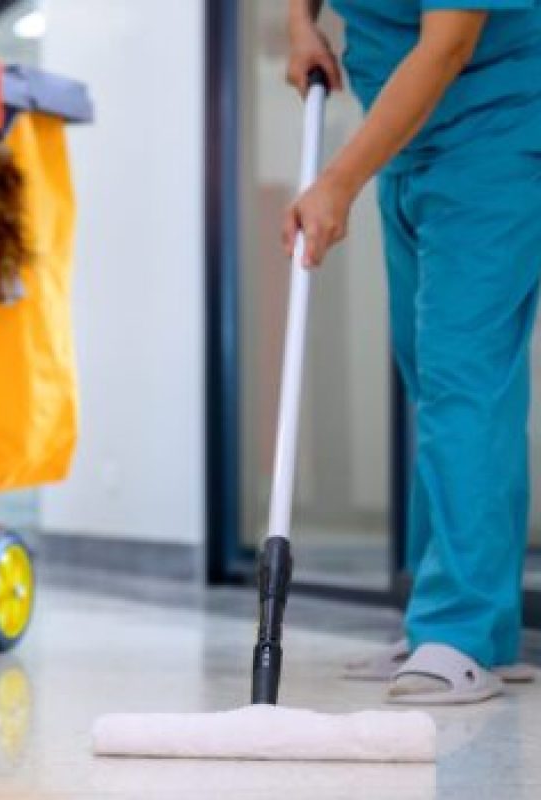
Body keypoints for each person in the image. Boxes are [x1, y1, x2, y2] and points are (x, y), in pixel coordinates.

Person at [285, 0, 541, 704]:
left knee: (464, 378)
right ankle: (476, 630)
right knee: (433, 379)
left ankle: (457, 632)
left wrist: (338, 179)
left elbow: (448, 45)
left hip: (496, 133)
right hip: (407, 141)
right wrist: (300, 26)